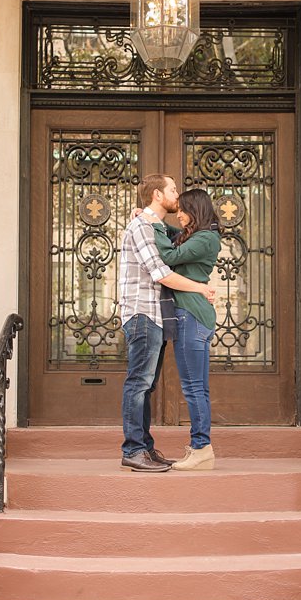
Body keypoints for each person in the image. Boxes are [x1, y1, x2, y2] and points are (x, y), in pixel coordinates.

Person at [118, 173, 217, 473]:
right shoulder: (143, 227)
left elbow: (175, 239)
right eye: (173, 189)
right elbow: (160, 271)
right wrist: (200, 287)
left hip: (157, 315)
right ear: (158, 195)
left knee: (146, 386)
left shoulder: (156, 226)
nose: (178, 194)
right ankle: (133, 450)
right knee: (139, 383)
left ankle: (144, 448)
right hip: (142, 313)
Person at [151, 188, 223, 471]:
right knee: (197, 387)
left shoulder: (206, 238)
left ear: (195, 210)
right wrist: (157, 223)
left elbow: (169, 255)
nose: (178, 214)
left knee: (194, 388)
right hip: (192, 314)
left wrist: (152, 223)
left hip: (192, 315)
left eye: (182, 209)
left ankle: (201, 448)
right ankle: (200, 447)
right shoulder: (200, 236)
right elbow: (175, 236)